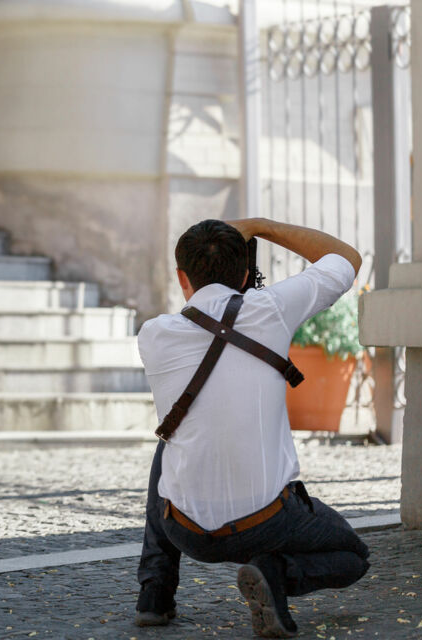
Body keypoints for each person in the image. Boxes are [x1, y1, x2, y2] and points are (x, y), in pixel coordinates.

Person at [134, 218, 370, 638]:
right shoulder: (273, 309)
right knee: (353, 555)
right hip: (267, 523)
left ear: (181, 278)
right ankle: (275, 572)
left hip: (183, 530)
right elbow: (347, 259)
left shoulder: (153, 335)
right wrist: (262, 226)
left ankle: (155, 592)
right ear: (245, 274)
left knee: (171, 438)